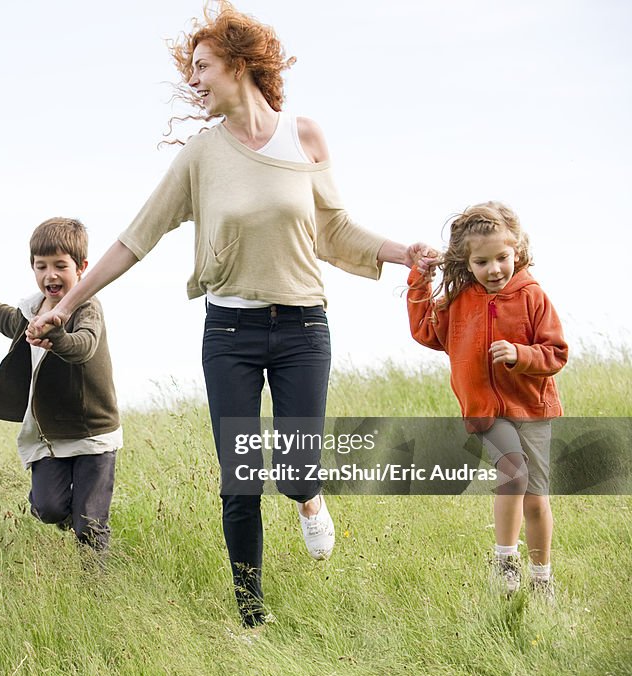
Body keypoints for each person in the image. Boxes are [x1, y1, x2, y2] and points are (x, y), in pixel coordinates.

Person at [26, 2, 432, 626]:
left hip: (302, 329)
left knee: (295, 475)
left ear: (240, 64)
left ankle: (308, 497)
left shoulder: (305, 135)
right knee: (240, 481)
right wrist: (67, 305)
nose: (194, 80)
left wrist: (405, 253)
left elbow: (336, 230)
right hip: (231, 333)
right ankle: (251, 615)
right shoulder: (199, 156)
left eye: (203, 66)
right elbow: (135, 238)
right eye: (190, 68)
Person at [407, 201, 566, 598]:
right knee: (514, 471)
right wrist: (418, 282)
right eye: (482, 262)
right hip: (484, 411)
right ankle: (504, 563)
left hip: (532, 408)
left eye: (502, 257)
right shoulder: (460, 299)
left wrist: (521, 354)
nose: (494, 269)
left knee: (535, 497)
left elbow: (556, 353)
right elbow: (428, 334)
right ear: (466, 262)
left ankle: (542, 578)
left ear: (517, 251)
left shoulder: (532, 296)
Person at [0, 217, 121, 555]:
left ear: (82, 268)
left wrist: (56, 334)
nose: (51, 275)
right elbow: (4, 318)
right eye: (41, 266)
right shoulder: (31, 310)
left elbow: (83, 345)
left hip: (92, 432)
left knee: (90, 524)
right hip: (49, 434)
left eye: (61, 265)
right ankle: (72, 516)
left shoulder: (88, 307)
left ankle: (96, 590)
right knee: (48, 508)